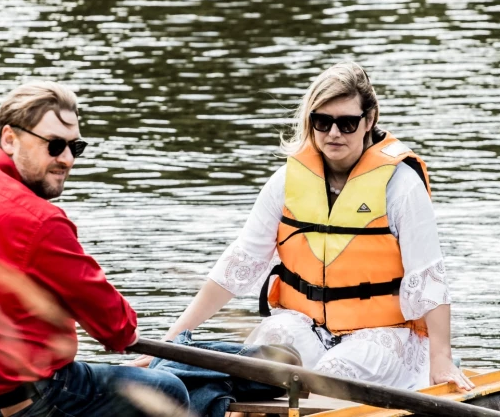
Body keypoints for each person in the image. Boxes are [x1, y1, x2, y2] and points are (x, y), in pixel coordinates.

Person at [133, 61, 473, 391]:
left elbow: (429, 278)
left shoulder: (401, 186)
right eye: (322, 122)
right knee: (265, 354)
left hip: (384, 333)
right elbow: (237, 265)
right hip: (305, 325)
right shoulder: (286, 181)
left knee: (328, 377)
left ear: (369, 120)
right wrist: (167, 345)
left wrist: (440, 359)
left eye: (347, 123)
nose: (333, 133)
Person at [0, 82, 189, 416]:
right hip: (13, 404)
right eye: (55, 146)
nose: (68, 160)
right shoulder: (40, 221)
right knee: (168, 389)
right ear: (10, 138)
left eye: (76, 147)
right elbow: (117, 329)